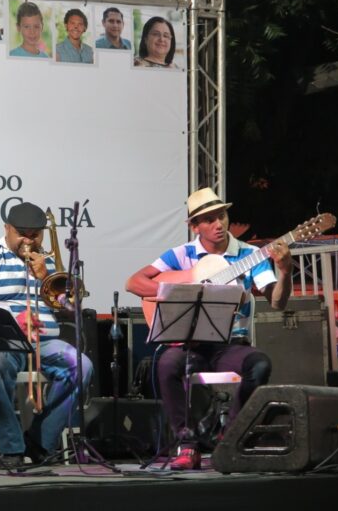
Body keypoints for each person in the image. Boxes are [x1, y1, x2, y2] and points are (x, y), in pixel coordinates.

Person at [125, 187, 292, 470]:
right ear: (194, 226)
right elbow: (134, 283)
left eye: (222, 216)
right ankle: (187, 443)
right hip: (191, 343)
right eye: (209, 219)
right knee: (166, 365)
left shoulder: (250, 254)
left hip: (231, 344)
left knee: (260, 365)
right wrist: (179, 289)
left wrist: (285, 271)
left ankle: (231, 437)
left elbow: (277, 302)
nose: (218, 224)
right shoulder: (182, 254)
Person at [0, 202, 93, 467]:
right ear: (7, 229)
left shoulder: (47, 262)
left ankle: (39, 441)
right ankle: (11, 447)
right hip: (5, 340)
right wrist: (13, 320)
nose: (28, 240)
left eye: (35, 234)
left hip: (44, 341)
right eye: (22, 233)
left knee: (82, 366)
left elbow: (71, 309)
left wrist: (47, 276)